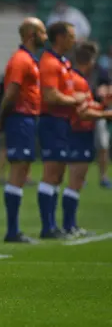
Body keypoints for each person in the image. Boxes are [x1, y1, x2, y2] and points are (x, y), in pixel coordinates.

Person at [0, 18, 47, 243]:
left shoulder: (30, 59)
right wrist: (1, 119)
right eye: (42, 32)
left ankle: (14, 230)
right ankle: (12, 231)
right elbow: (11, 92)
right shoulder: (21, 60)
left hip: (26, 119)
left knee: (22, 171)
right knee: (18, 173)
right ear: (31, 35)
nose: (45, 37)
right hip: (20, 119)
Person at [38, 22, 84, 239]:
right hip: (52, 121)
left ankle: (53, 225)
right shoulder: (49, 62)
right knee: (51, 173)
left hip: (63, 122)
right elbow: (50, 95)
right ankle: (48, 227)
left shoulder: (63, 62)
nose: (74, 40)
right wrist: (74, 100)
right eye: (71, 35)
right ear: (60, 38)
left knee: (57, 175)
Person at [66, 42, 112, 236]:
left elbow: (86, 106)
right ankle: (69, 225)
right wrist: (105, 114)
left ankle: (71, 224)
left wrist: (102, 106)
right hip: (78, 130)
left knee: (77, 178)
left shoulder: (78, 78)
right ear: (90, 60)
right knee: (75, 178)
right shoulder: (78, 80)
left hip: (81, 130)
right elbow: (82, 112)